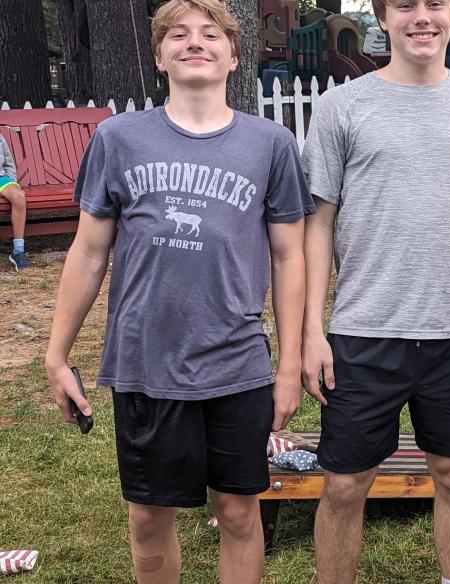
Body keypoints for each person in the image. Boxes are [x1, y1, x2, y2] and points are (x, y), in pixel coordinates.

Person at [44, 1, 313, 582]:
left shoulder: (271, 145)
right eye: (179, 35)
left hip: (238, 364)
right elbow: (89, 251)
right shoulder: (119, 139)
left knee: (241, 513)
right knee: (148, 517)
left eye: (211, 34)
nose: (196, 43)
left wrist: (288, 365)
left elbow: (291, 257)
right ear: (160, 55)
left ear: (233, 55)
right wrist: (56, 354)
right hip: (146, 363)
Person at [299, 0, 450, 581]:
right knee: (345, 485)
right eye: (405, 4)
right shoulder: (340, 106)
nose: (421, 17)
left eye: (435, 5)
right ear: (382, 17)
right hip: (363, 330)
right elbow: (317, 222)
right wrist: (309, 330)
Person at [0, 134, 30, 271]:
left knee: (19, 196)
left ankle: (18, 251)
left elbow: (8, 162)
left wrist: (12, 182)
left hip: (1, 178)